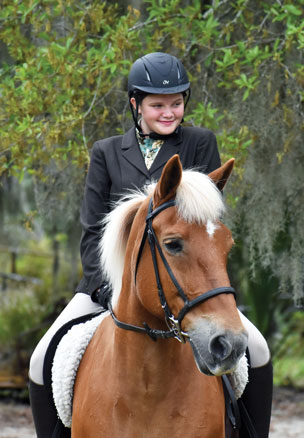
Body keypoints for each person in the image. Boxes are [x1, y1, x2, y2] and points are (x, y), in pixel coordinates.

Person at [28, 52, 273, 437]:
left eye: (176, 103)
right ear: (135, 104)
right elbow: (93, 228)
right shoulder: (107, 152)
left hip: (186, 281)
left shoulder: (199, 142)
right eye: (158, 105)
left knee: (257, 352)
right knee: (42, 358)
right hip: (109, 286)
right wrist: (110, 288)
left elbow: (205, 224)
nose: (168, 112)